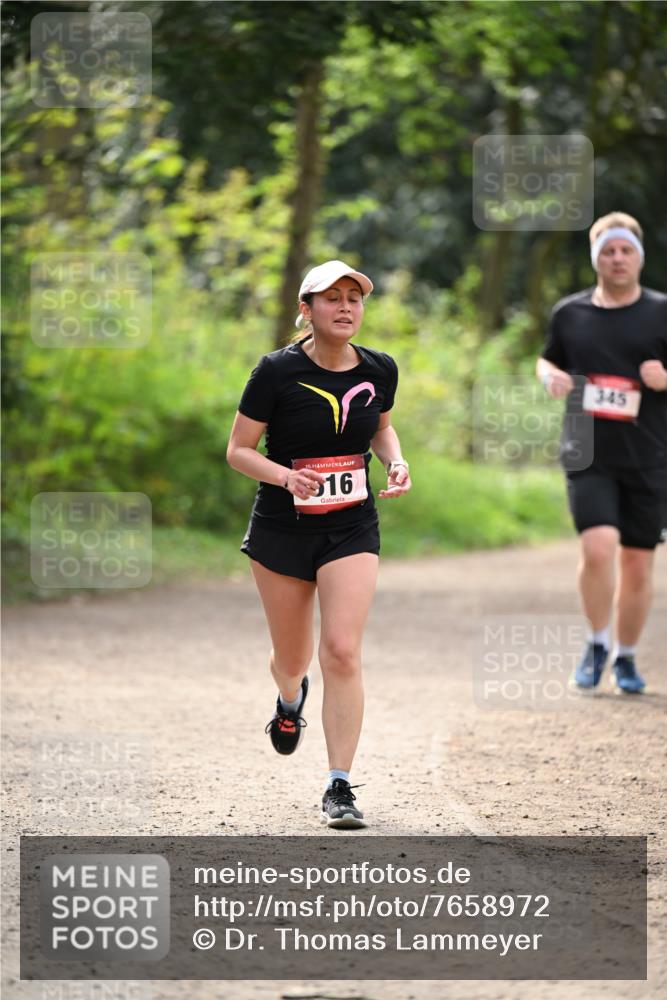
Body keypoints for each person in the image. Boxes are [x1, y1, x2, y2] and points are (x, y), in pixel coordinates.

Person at [226, 260, 411, 827]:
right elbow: (238, 450)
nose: (346, 307)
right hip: (282, 527)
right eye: (332, 298)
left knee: (342, 651)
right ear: (307, 309)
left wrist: (396, 460)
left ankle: (339, 787)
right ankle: (288, 701)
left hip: (351, 525)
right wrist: (285, 477)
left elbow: (378, 425)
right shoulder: (276, 372)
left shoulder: (380, 368)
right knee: (293, 659)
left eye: (354, 297)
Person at [536, 212, 667, 693]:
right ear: (596, 258)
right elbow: (550, 356)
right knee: (597, 546)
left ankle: (627, 658)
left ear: (638, 257)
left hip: (650, 456)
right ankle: (596, 643)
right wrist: (547, 375)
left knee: (637, 562)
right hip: (586, 450)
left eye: (625, 250)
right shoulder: (570, 313)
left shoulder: (661, 311)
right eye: (608, 251)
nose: (617, 258)